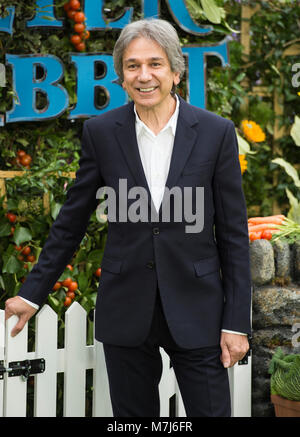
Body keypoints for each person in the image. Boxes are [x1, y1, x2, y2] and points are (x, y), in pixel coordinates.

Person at [5, 18, 251, 417]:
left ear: (175, 70)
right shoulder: (101, 133)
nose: (144, 76)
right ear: (121, 75)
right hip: (127, 309)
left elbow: (234, 235)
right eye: (133, 66)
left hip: (198, 309)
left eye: (155, 64)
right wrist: (33, 291)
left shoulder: (215, 132)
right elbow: (72, 221)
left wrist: (236, 322)